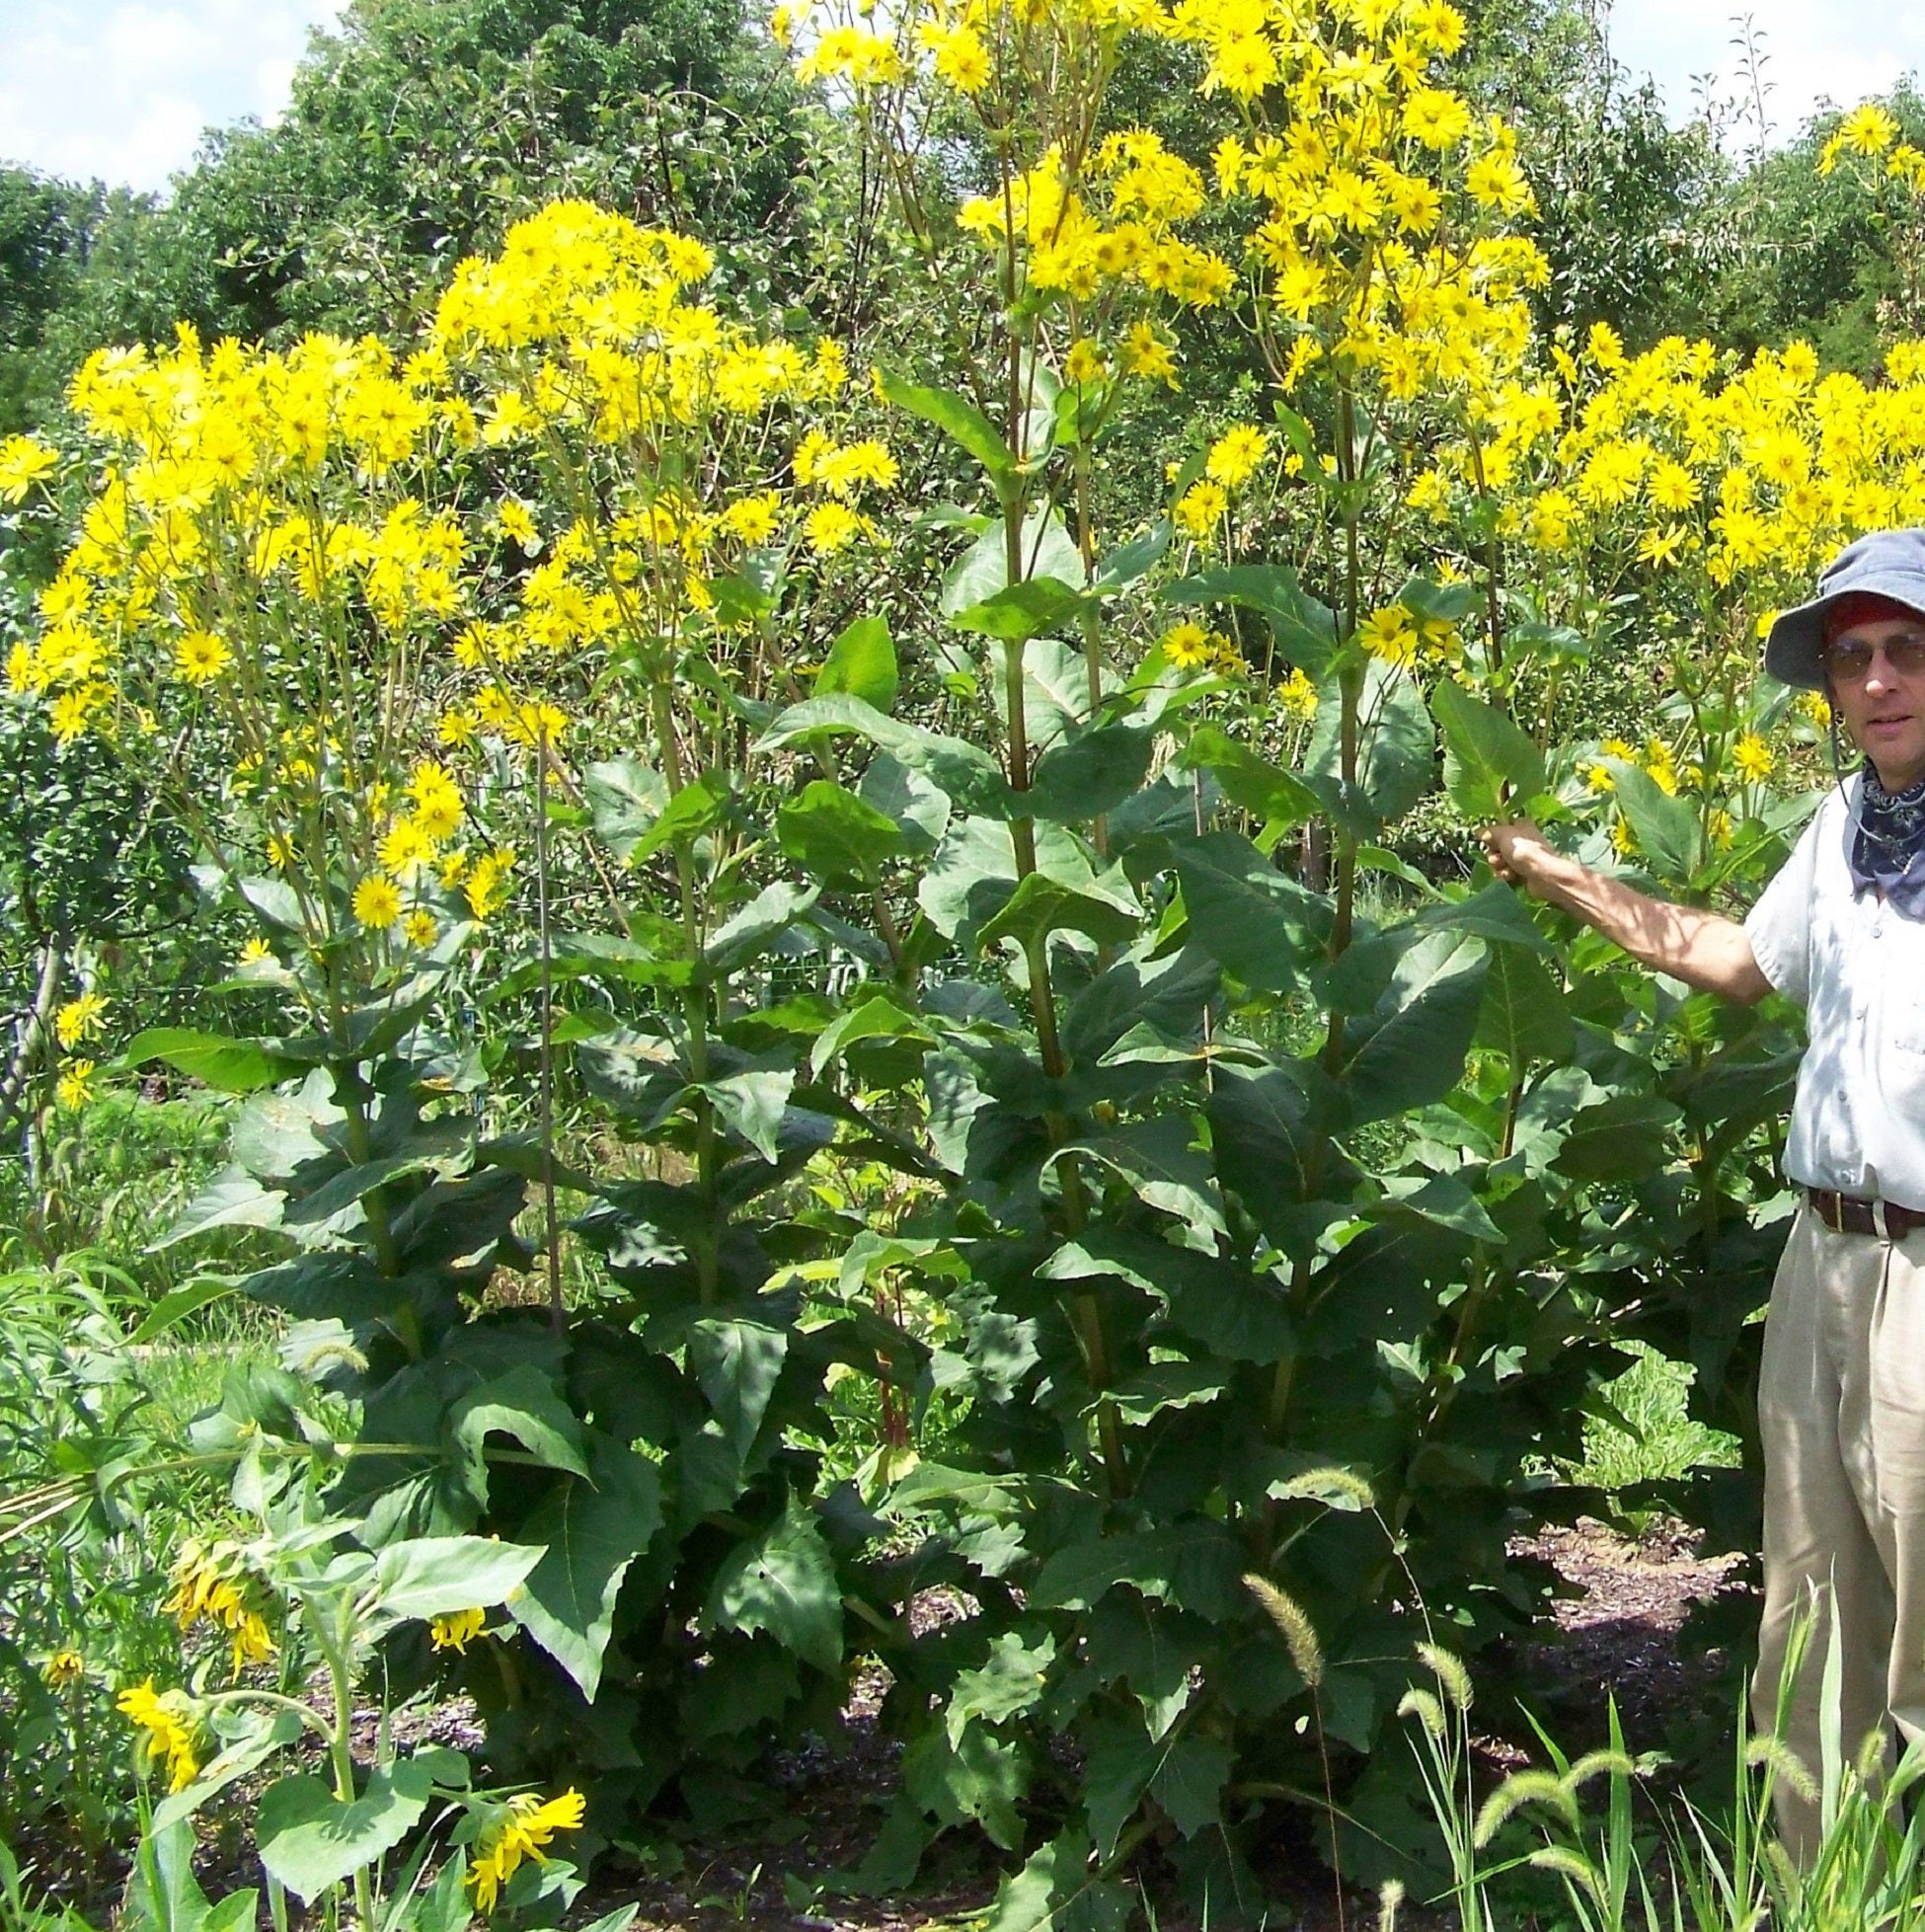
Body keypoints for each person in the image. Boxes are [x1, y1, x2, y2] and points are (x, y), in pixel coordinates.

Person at [1485, 526, 1925, 1856]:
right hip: (1821, 1260)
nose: (1878, 681)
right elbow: (1741, 962)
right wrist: (1564, 877)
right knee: (1814, 1605)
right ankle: (1822, 1884)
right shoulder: (1843, 823)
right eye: (1851, 660)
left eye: (1906, 649)